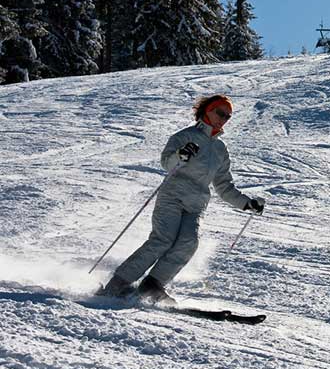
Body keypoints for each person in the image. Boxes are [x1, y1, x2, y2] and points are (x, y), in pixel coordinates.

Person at [101, 94, 264, 303]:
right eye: (220, 113)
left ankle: (152, 285)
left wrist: (246, 204)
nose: (223, 119)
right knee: (162, 240)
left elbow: (224, 185)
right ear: (207, 111)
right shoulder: (184, 136)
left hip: (196, 204)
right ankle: (118, 282)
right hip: (173, 196)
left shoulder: (220, 149)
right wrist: (181, 155)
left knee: (189, 242)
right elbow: (167, 164)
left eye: (228, 116)